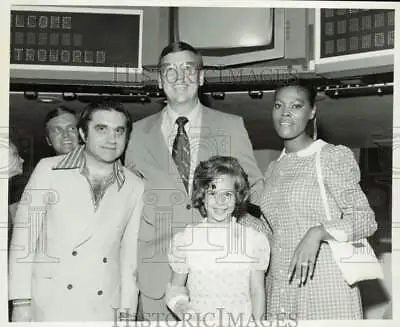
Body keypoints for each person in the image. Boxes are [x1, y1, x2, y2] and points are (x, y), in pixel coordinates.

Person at [124, 41, 264, 319]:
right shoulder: (135, 133)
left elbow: (255, 189)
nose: (179, 78)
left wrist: (249, 244)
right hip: (157, 278)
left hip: (221, 278)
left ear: (201, 77)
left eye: (188, 70)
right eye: (170, 71)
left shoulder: (231, 125)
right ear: (160, 79)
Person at [9, 101, 145, 321]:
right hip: (49, 302)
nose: (112, 139)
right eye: (101, 129)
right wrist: (20, 302)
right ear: (83, 132)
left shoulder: (135, 185)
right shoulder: (48, 170)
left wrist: (127, 311)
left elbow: (129, 257)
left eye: (119, 131)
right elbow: (24, 239)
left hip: (103, 305)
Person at [260, 81, 378, 320]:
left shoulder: (330, 157)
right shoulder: (273, 168)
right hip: (280, 287)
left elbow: (366, 220)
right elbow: (270, 230)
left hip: (323, 283)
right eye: (278, 105)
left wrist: (318, 232)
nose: (285, 113)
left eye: (296, 106)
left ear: (312, 112)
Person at [166, 156, 270, 324]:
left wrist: (258, 323)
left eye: (227, 194)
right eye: (213, 193)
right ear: (202, 196)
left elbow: (257, 290)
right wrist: (184, 311)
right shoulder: (186, 240)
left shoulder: (253, 240)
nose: (220, 202)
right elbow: (175, 288)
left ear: (237, 197)